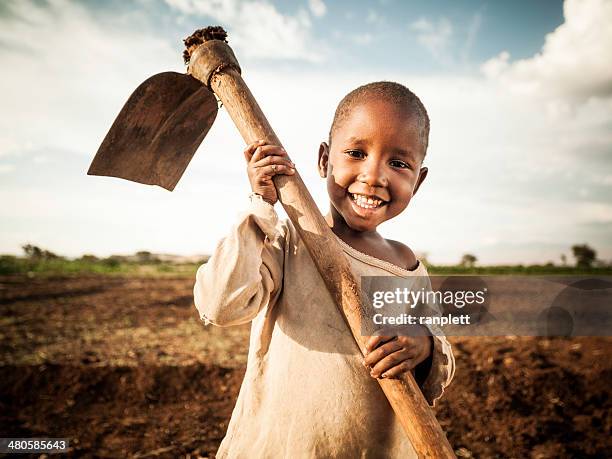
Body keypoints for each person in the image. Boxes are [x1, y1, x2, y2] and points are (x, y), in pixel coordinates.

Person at [193, 81, 455, 458]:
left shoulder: (405, 264)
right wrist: (258, 206)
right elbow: (220, 304)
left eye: (398, 163)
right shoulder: (286, 242)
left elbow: (439, 356)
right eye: (355, 152)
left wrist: (423, 347)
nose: (374, 176)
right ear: (323, 160)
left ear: (419, 180)